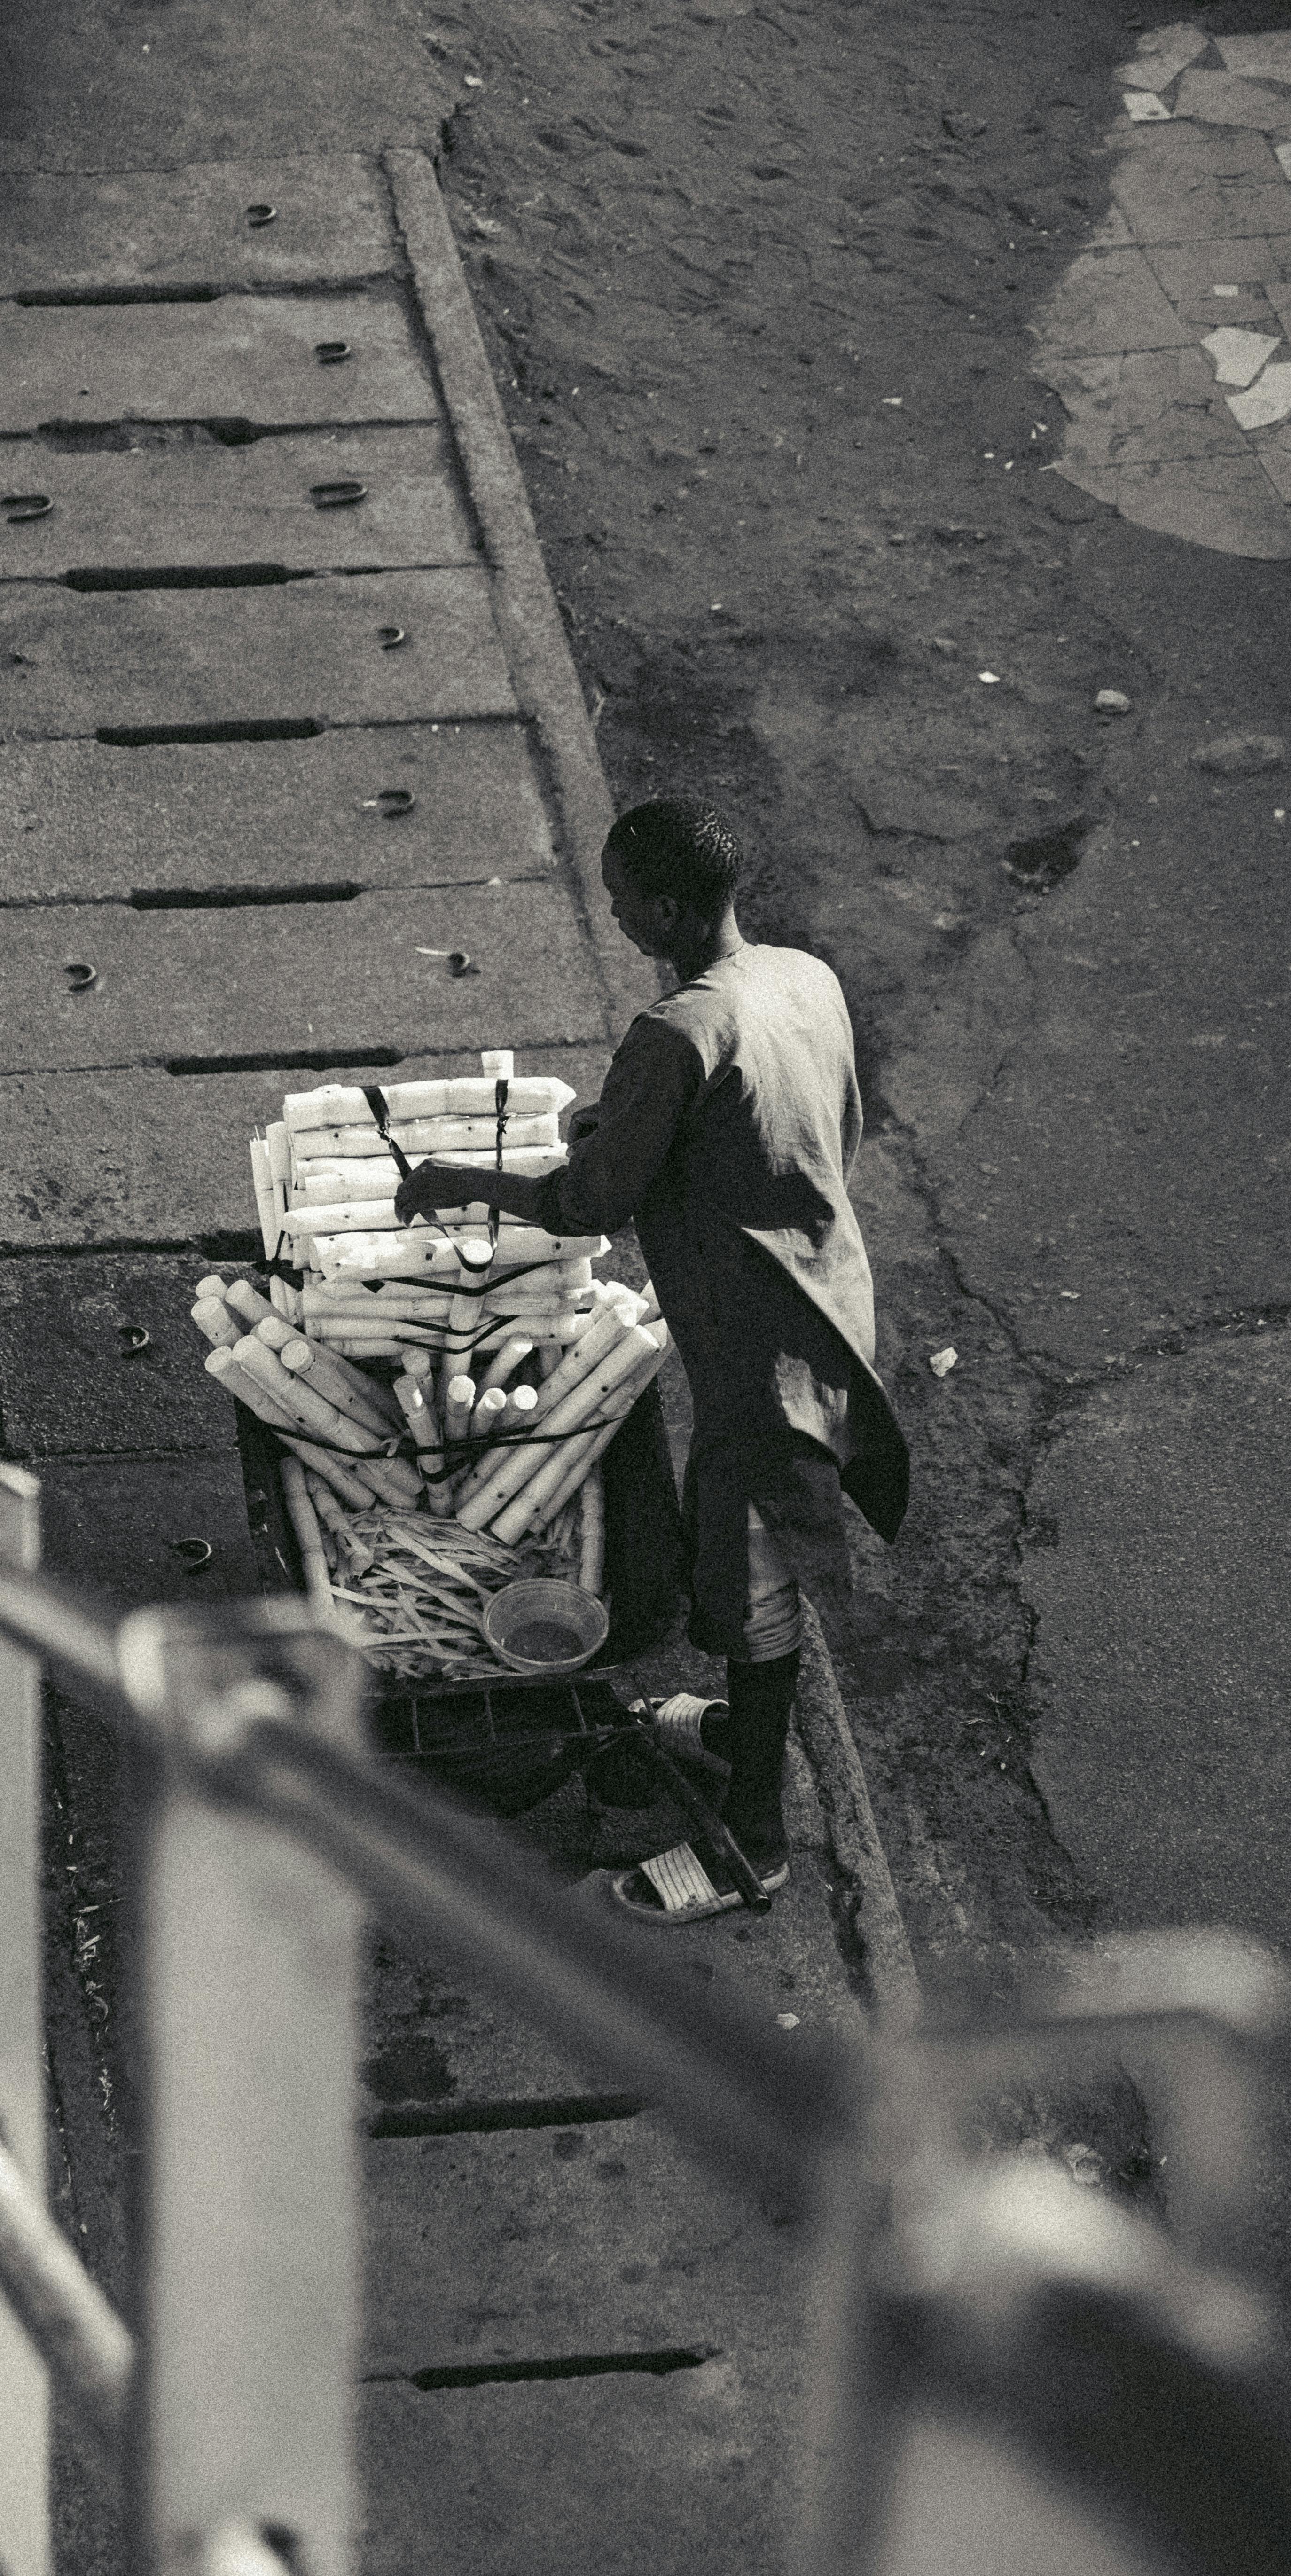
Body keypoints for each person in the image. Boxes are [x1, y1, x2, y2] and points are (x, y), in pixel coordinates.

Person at [394, 797, 908, 1921]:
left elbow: (588, 1206)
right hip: (829, 1297)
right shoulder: (798, 976)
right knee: (746, 1558)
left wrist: (451, 1183)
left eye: (624, 901)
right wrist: (631, 1132)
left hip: (758, 1361)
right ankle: (733, 1726)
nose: (616, 914)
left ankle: (755, 1848)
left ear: (667, 907)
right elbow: (822, 1127)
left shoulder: (675, 1033)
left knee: (752, 1585)